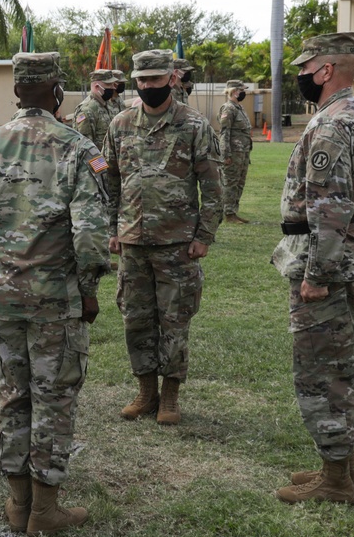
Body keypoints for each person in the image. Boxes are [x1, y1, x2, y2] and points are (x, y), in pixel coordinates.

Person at [0, 52, 110, 537]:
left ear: (16, 93)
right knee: (53, 400)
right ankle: (45, 510)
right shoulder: (77, 148)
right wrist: (89, 289)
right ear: (57, 91)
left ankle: (18, 504)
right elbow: (92, 236)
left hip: (1, 300)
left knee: (13, 396)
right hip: (56, 301)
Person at [272, 32, 354, 505]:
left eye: (305, 67)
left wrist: (317, 275)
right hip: (353, 256)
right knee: (342, 365)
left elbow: (328, 206)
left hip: (328, 265)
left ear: (325, 70)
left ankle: (335, 479)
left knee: (321, 372)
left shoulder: (329, 126)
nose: (299, 75)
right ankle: (343, 469)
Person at [104, 50, 223, 426]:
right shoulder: (120, 124)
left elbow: (213, 187)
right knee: (135, 319)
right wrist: (112, 230)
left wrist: (204, 235)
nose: (147, 86)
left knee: (175, 320)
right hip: (133, 243)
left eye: (155, 80)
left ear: (171, 79)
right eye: (141, 80)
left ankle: (170, 395)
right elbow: (108, 182)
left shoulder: (193, 125)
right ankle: (145, 392)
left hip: (177, 243)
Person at [218, 79, 253, 223]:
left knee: (239, 182)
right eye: (241, 90)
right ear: (234, 92)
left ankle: (234, 211)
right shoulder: (228, 109)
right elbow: (224, 132)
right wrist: (225, 154)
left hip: (243, 152)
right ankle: (228, 213)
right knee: (230, 182)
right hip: (233, 153)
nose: (243, 92)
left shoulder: (239, 108)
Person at [72, 69, 118, 150]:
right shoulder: (87, 110)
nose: (113, 88)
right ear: (97, 87)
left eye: (113, 84)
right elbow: (84, 147)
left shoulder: (107, 104)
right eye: (109, 85)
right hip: (98, 161)